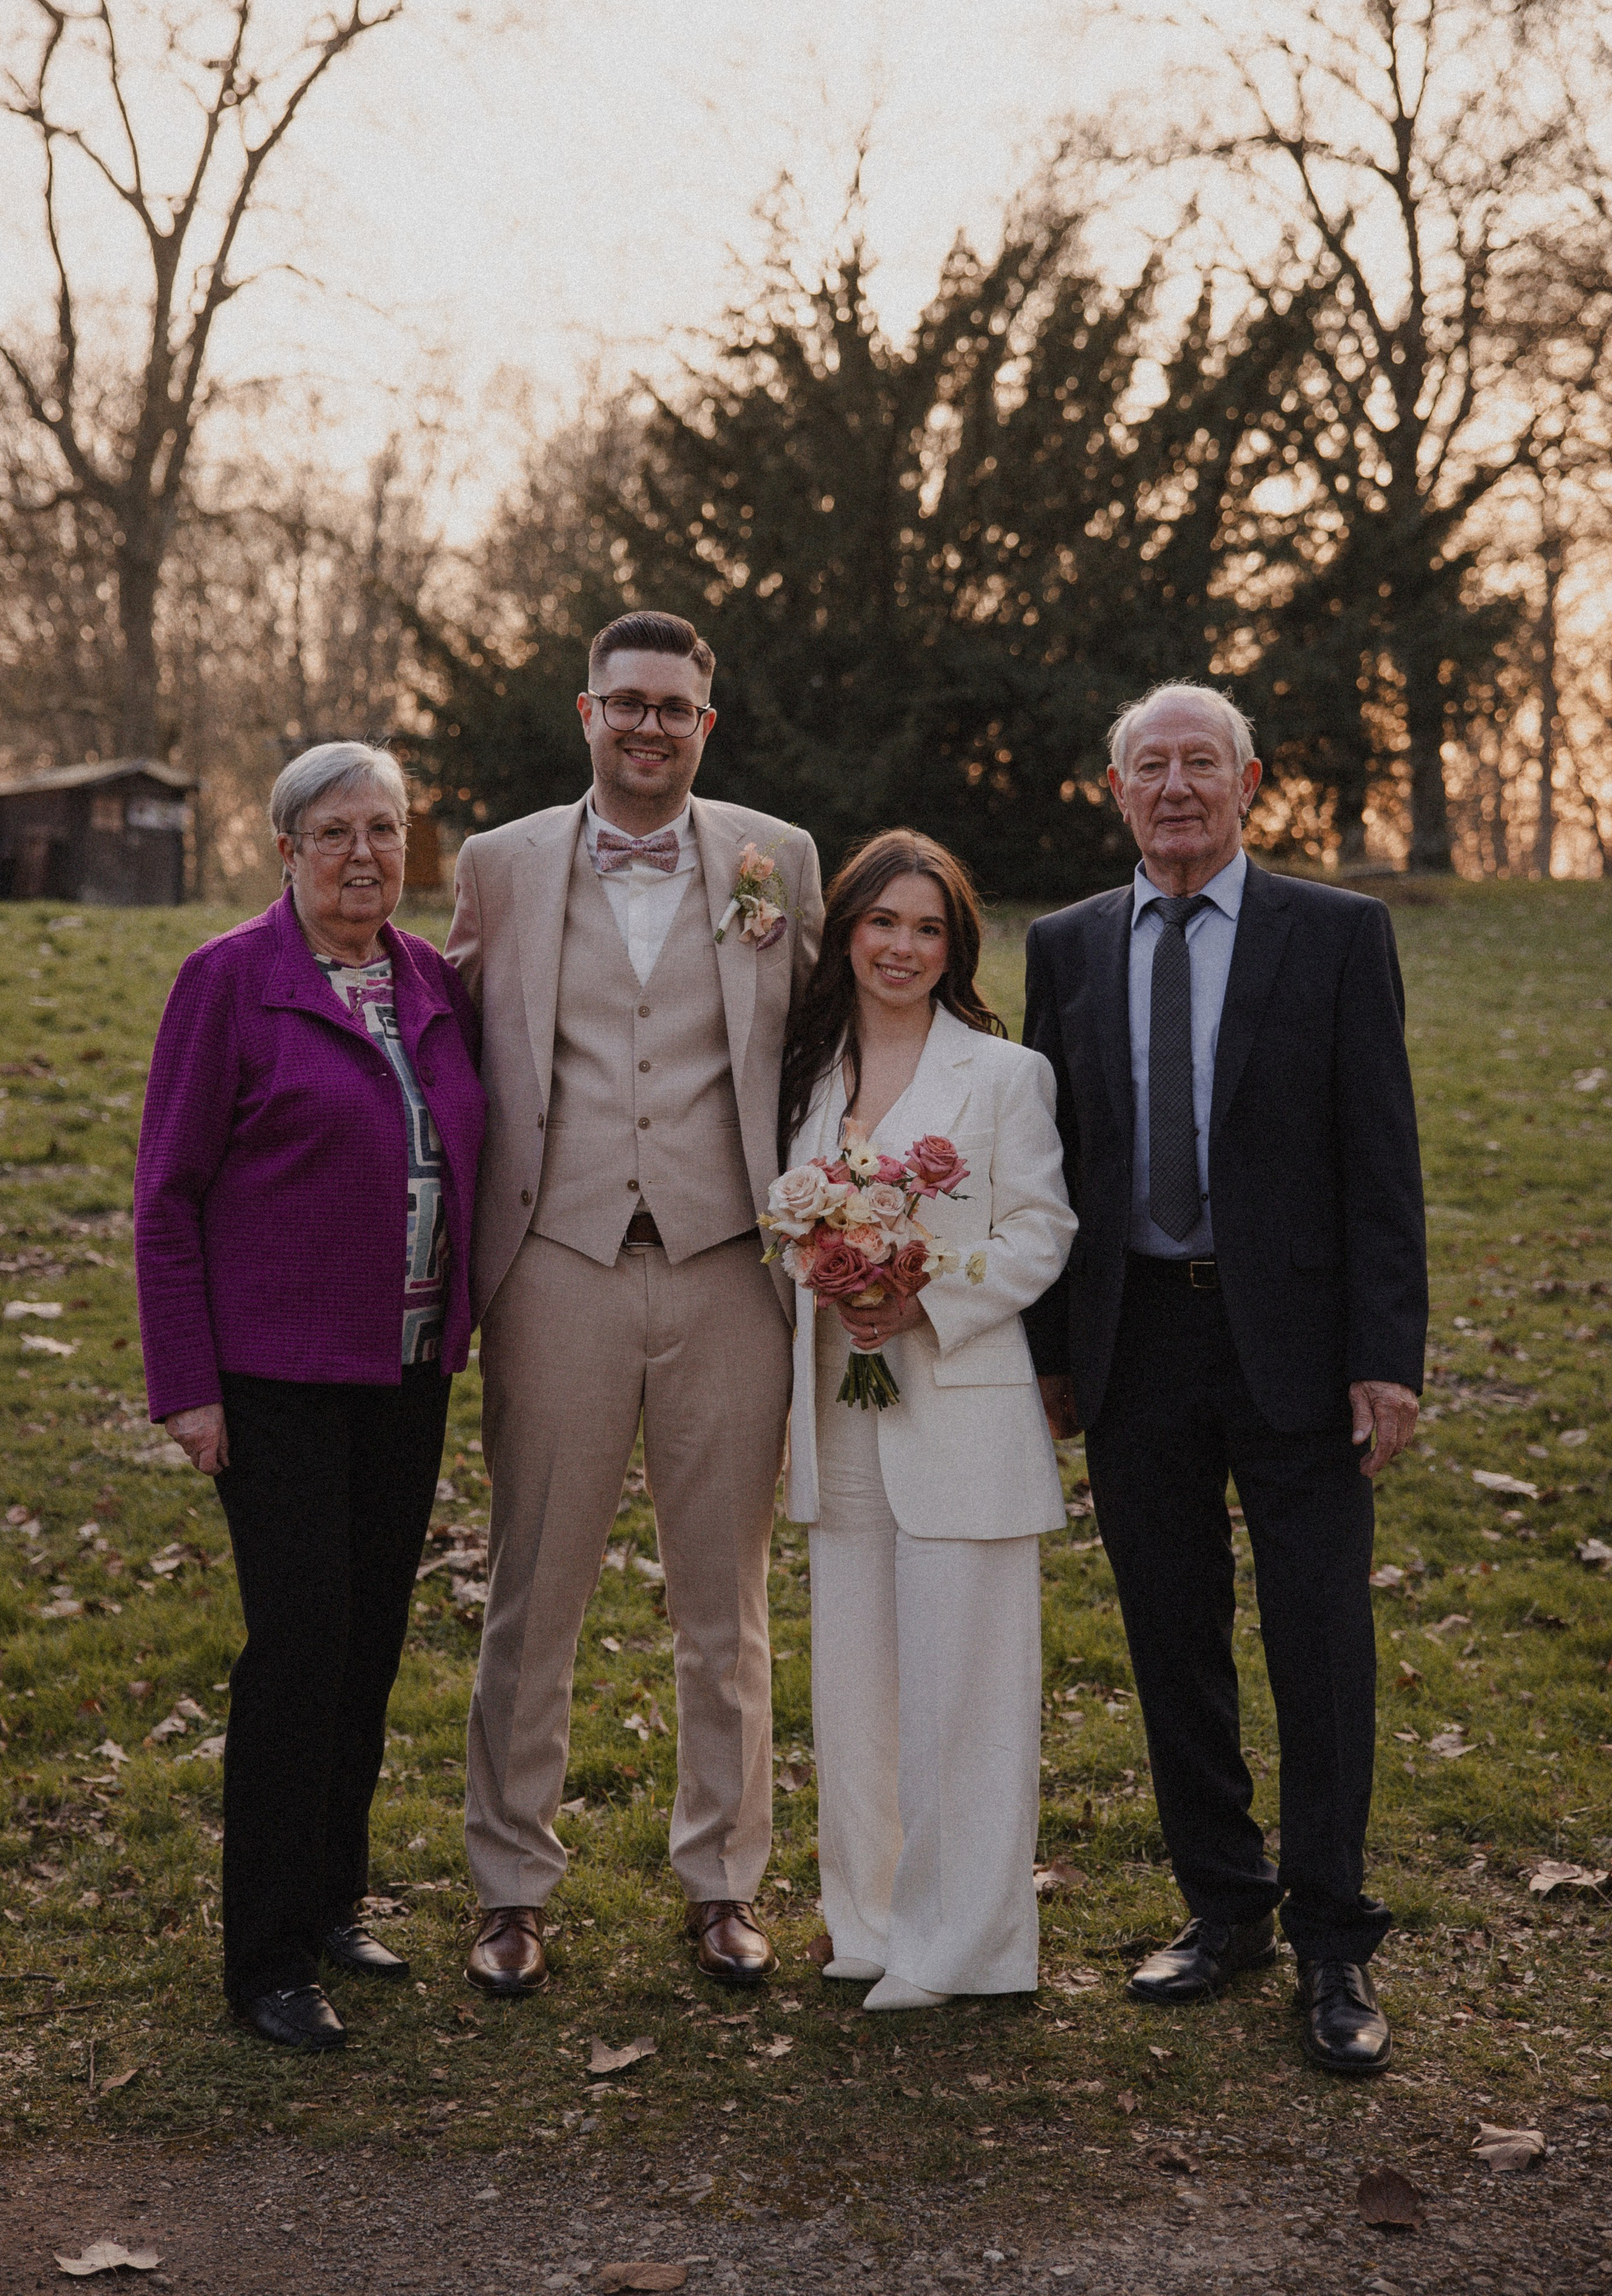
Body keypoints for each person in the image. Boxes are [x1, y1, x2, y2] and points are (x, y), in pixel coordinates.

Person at [1022, 681, 1427, 2075]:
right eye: (1152, 765)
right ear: (1117, 790)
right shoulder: (1067, 947)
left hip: (1300, 1349)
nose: (1177, 785)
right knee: (1168, 1637)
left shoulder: (1333, 934)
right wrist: (1054, 1357)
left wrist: (1386, 1359)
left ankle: (1331, 1939)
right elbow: (1052, 1166)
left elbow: (1381, 1161)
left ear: (1248, 781)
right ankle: (1222, 1908)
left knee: (1317, 1642)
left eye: (1202, 762)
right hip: (1135, 1339)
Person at [449, 610, 824, 1996]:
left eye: (673, 706)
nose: (649, 726)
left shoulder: (773, 859)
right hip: (556, 1258)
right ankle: (507, 1887)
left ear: (703, 725)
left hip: (730, 1261)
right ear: (586, 714)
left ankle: (723, 1882)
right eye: (626, 704)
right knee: (532, 1587)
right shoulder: (499, 864)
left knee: (723, 1599)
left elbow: (823, 1049)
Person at [134, 743, 486, 2051]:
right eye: (333, 833)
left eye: (384, 832)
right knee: (296, 1649)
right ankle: (267, 1956)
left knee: (370, 1640)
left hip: (402, 1371)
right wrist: (186, 1386)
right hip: (273, 1378)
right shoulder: (228, 982)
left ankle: (333, 1896)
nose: (362, 858)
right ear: (284, 850)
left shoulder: (432, 985)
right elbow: (165, 1201)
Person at [778, 831, 1076, 2011]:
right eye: (881, 923)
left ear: (953, 948)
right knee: (854, 1693)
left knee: (968, 1696)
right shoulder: (806, 1074)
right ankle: (870, 1924)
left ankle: (970, 1949)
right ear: (846, 930)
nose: (901, 947)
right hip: (838, 1415)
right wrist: (829, 1270)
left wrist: (920, 1296)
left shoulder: (1004, 1076)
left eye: (927, 928)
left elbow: (1043, 1231)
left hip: (960, 1412)